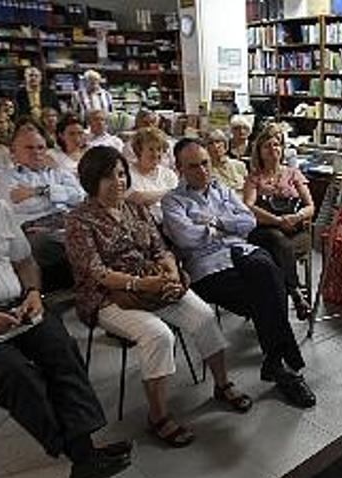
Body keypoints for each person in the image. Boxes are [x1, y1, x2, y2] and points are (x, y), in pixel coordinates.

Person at [65, 146, 253, 449]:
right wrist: (140, 284)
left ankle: (222, 384)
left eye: (122, 174)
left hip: (154, 283)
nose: (119, 182)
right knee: (158, 335)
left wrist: (170, 272)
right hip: (108, 297)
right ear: (90, 181)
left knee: (203, 316)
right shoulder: (79, 220)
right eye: (108, 177)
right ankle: (158, 416)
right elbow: (96, 272)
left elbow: (160, 249)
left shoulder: (136, 209)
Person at [0, 192, 133, 478]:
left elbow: (25, 262)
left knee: (61, 349)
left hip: (16, 306)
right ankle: (80, 453)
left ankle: (83, 453)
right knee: (15, 372)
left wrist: (33, 292)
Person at [162, 138, 316, 409]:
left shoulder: (221, 189)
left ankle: (278, 365)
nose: (202, 171)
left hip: (241, 252)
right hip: (208, 268)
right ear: (180, 168)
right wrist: (225, 228)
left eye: (205, 163)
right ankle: (282, 367)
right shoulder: (173, 201)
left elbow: (248, 221)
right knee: (269, 289)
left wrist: (215, 223)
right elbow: (186, 239)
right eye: (193, 166)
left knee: (267, 271)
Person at [0, 124, 85, 292]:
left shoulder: (59, 172)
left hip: (67, 222)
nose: (36, 152)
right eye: (29, 147)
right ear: (14, 152)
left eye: (40, 147)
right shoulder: (4, 178)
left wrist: (39, 191)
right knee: (58, 241)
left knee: (90, 231)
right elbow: (23, 207)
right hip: (35, 229)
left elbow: (79, 197)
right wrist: (58, 196)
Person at [243, 123, 314, 320]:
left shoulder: (293, 173)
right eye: (267, 146)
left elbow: (310, 206)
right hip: (266, 231)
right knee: (277, 239)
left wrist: (296, 217)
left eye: (276, 145)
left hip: (295, 230)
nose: (273, 149)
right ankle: (296, 293)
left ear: (282, 149)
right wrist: (276, 220)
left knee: (283, 250)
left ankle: (283, 299)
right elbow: (248, 206)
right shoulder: (254, 178)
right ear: (259, 151)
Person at [125, 127, 178, 223]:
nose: (156, 154)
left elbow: (178, 200)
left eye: (159, 149)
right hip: (142, 225)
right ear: (139, 150)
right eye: (151, 149)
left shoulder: (169, 174)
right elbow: (136, 198)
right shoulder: (127, 173)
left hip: (171, 223)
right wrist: (169, 192)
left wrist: (151, 196)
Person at [205, 129, 247, 193]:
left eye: (218, 141)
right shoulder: (206, 171)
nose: (215, 146)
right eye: (211, 143)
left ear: (225, 145)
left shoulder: (240, 165)